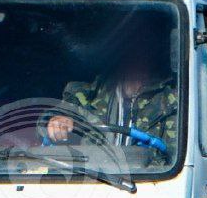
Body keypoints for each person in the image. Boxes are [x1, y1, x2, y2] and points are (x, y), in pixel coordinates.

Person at [45, 51, 177, 152]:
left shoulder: (174, 101)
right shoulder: (89, 94)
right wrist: (58, 121)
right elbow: (44, 125)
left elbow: (177, 162)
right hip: (90, 180)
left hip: (151, 183)